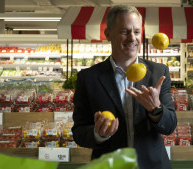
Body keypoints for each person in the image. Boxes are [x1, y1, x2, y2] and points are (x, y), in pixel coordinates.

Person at [72, 5, 177, 169]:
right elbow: (79, 132)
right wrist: (98, 134)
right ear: (108, 34)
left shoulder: (158, 73)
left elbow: (170, 125)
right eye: (124, 31)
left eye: (136, 32)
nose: (132, 38)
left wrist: (156, 109)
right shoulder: (88, 78)